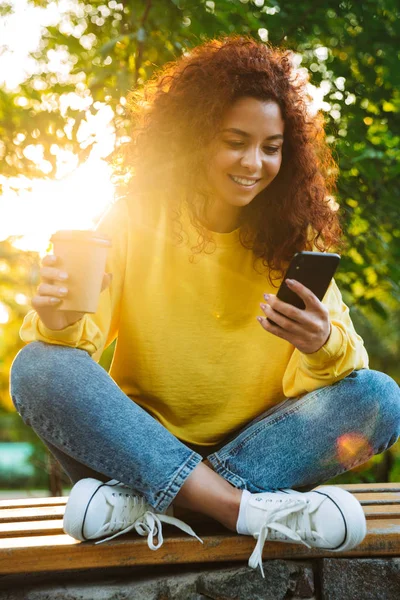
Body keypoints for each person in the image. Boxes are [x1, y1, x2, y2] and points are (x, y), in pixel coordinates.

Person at [10, 36, 400, 577]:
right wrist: (56, 317)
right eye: (235, 141)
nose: (253, 162)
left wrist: (320, 342)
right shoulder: (133, 218)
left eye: (271, 146)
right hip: (137, 445)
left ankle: (154, 505)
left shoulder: (290, 239)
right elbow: (73, 347)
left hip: (258, 451)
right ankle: (236, 510)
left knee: (380, 396)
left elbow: (341, 377)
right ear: (196, 139)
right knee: (38, 366)